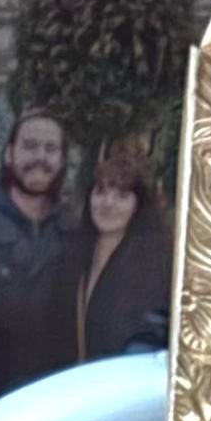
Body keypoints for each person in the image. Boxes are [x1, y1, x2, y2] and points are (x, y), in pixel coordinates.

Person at [0, 106, 76, 398]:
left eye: (50, 149)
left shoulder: (75, 234)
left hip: (49, 397)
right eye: (30, 146)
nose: (40, 157)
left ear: (62, 160)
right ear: (9, 154)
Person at [63, 141, 172, 364]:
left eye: (122, 195)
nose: (108, 203)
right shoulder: (73, 254)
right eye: (100, 191)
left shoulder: (154, 267)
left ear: (138, 205)